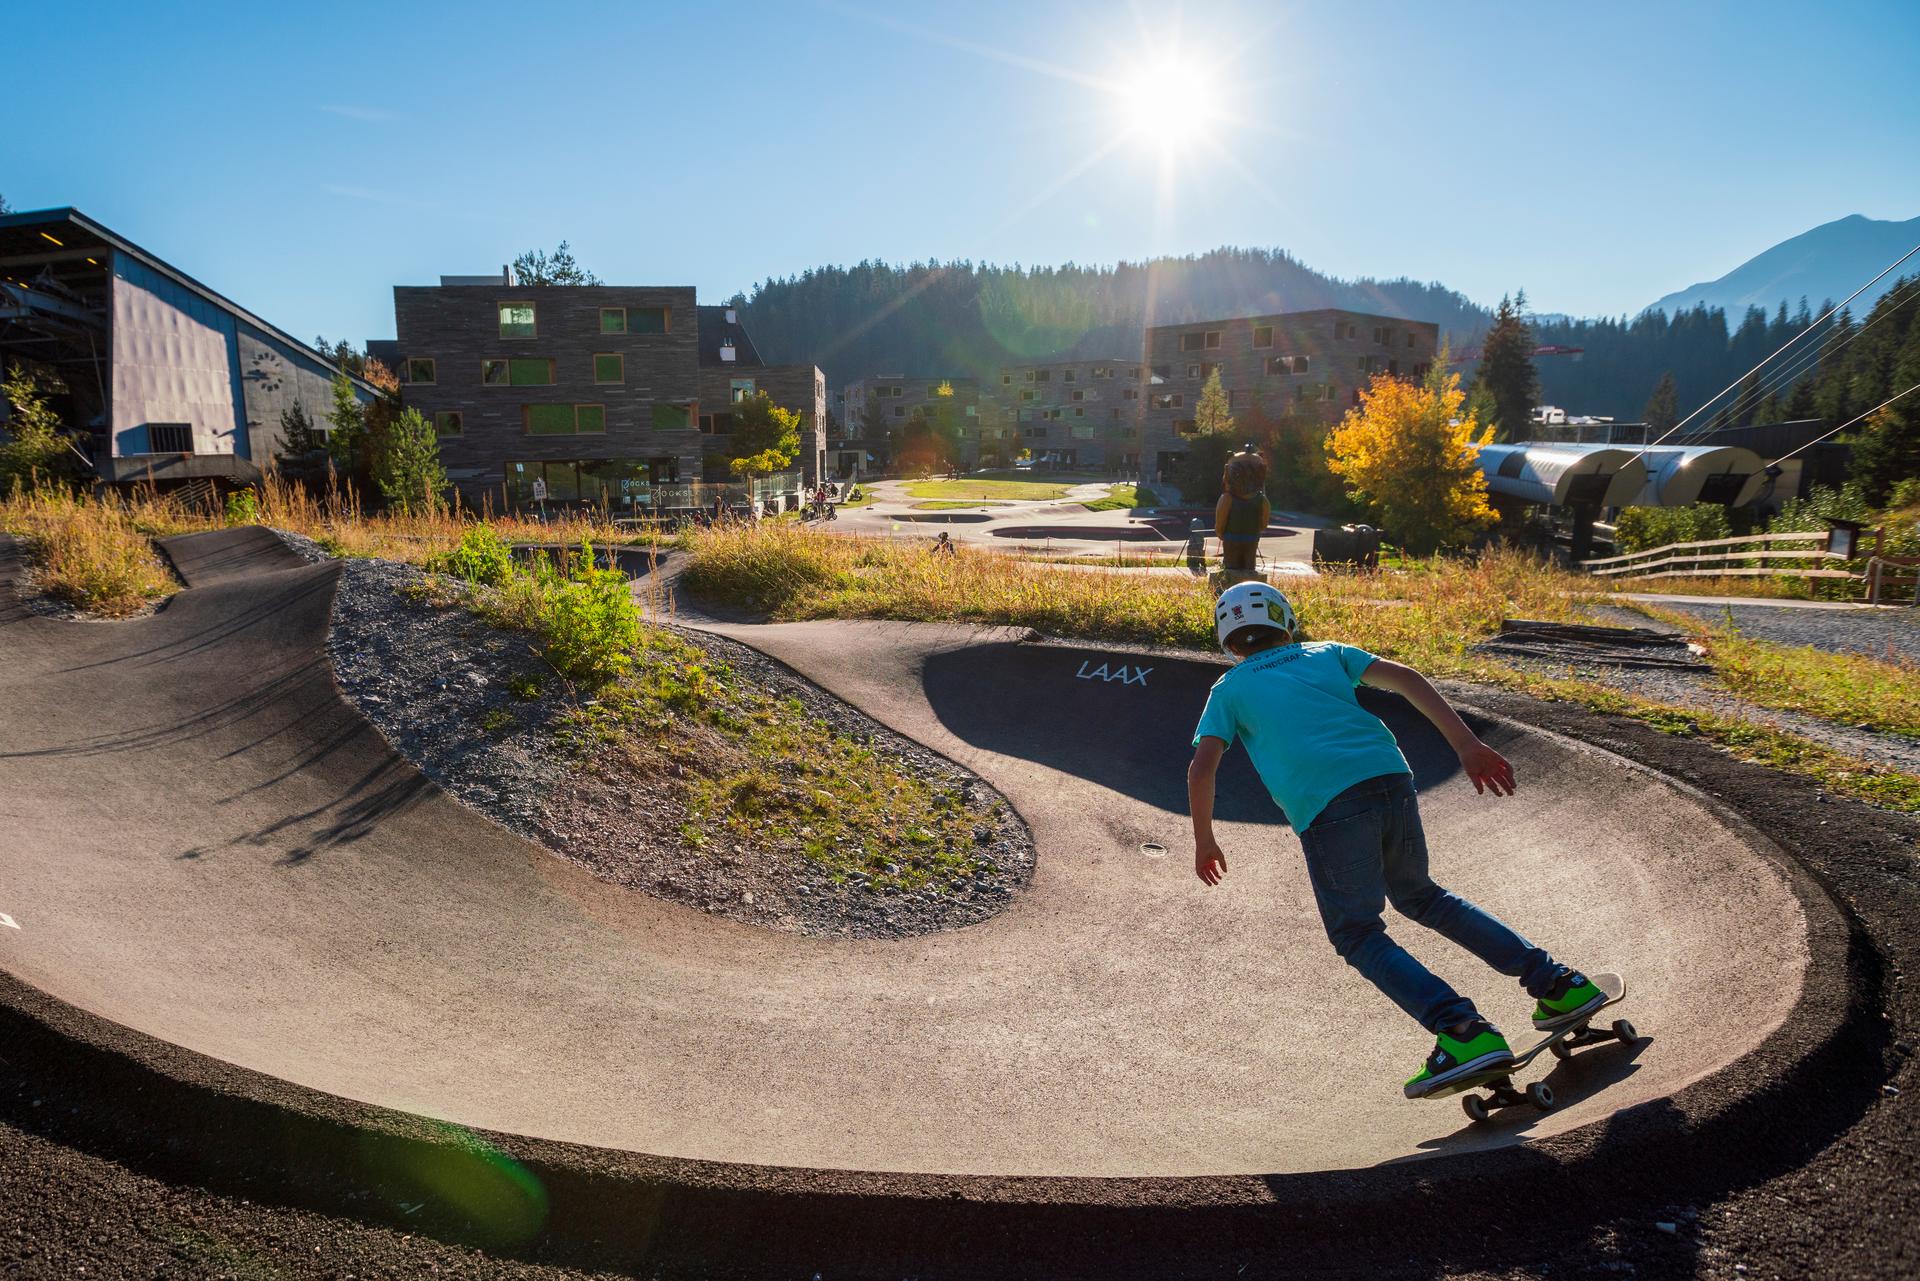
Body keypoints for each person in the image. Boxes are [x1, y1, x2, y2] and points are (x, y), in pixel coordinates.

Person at [1186, 581, 1611, 1099]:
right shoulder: (1327, 653)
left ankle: (1462, 1032)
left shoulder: (1229, 690)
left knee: (1357, 933)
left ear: (1228, 640)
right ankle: (1559, 985)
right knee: (1422, 896)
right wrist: (1468, 745)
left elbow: (1202, 767)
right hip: (1390, 779)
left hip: (1327, 806)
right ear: (1286, 621)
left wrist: (1205, 839)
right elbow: (1407, 679)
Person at [1212, 446, 1270, 593]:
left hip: (1232, 539)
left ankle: (1232, 592)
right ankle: (1248, 592)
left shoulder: (1227, 499)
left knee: (1232, 568)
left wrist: (1220, 532)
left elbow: (1220, 523)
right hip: (1251, 539)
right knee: (1249, 568)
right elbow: (1263, 524)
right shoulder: (1261, 500)